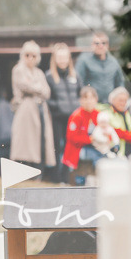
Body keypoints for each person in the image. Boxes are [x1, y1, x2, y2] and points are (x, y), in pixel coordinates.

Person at [10, 40, 55, 168]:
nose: (30, 58)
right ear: (22, 55)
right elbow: (24, 86)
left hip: (40, 109)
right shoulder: (18, 69)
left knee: (40, 140)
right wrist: (37, 87)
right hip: (26, 108)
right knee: (25, 141)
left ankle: (38, 169)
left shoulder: (39, 72)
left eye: (33, 56)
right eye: (27, 55)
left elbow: (47, 92)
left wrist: (35, 87)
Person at [46, 42, 80, 182]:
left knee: (69, 147)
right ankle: (55, 177)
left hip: (72, 118)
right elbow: (47, 98)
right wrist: (59, 106)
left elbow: (80, 93)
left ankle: (65, 177)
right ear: (55, 59)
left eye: (65, 57)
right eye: (60, 58)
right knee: (57, 147)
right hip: (57, 117)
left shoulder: (75, 76)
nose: (62, 61)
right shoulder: (49, 76)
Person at [63, 86, 101, 185]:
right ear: (80, 101)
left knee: (104, 155)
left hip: (95, 147)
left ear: (96, 99)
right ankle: (82, 181)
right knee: (97, 157)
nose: (89, 101)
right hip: (78, 149)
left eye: (91, 98)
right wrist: (89, 139)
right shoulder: (76, 116)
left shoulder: (99, 115)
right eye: (85, 98)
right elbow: (71, 137)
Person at [74, 31, 124, 102]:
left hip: (110, 104)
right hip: (91, 104)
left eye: (103, 43)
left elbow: (120, 83)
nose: (100, 46)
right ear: (92, 45)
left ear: (107, 45)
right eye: (97, 43)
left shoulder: (113, 62)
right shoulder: (84, 61)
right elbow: (78, 83)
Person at [104, 86, 131, 157]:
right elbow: (116, 132)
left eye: (125, 101)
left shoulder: (127, 113)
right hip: (115, 152)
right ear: (112, 100)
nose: (123, 103)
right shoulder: (107, 113)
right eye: (120, 100)